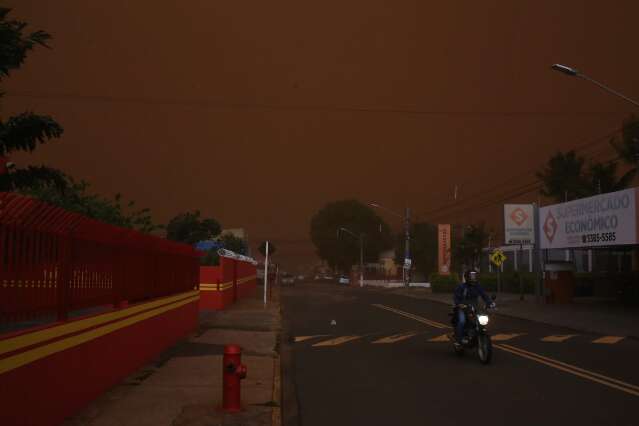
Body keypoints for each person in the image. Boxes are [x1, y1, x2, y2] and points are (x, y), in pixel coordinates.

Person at [452, 270, 495, 346]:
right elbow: (456, 298)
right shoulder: (462, 287)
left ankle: (477, 334)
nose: (473, 278)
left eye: (474, 276)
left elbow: (484, 295)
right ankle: (459, 339)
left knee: (481, 319)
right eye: (471, 276)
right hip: (463, 308)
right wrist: (459, 304)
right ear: (467, 277)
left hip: (475, 307)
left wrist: (490, 303)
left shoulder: (477, 286)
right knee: (462, 321)